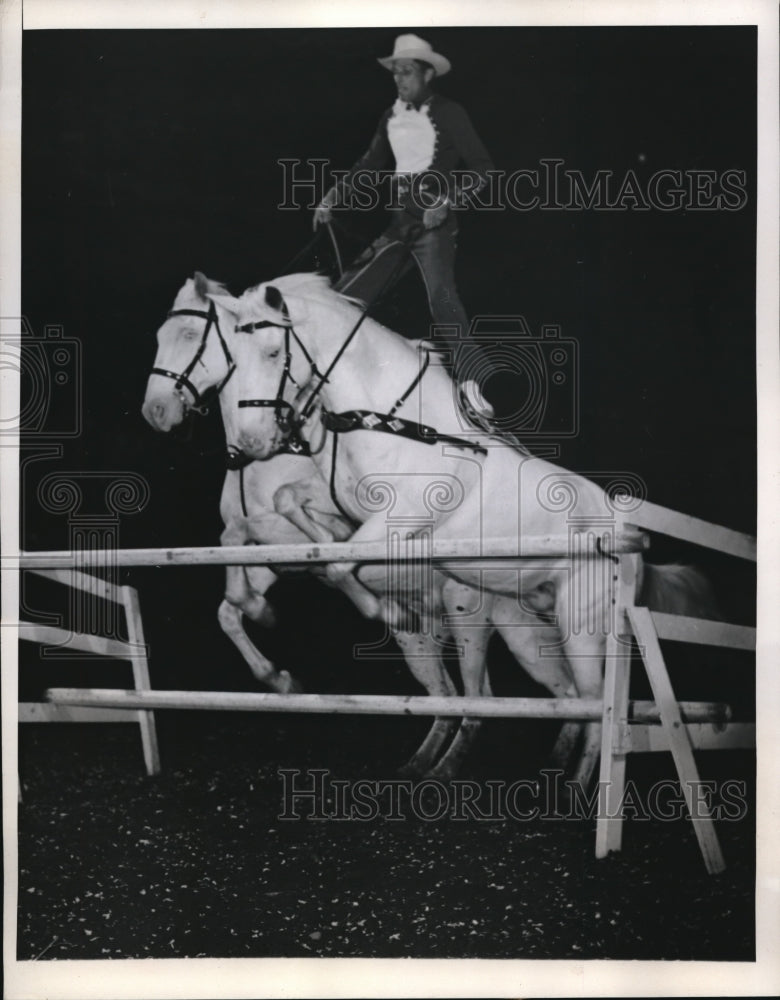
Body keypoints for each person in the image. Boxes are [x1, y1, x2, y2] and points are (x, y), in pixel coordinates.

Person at [313, 33, 496, 425]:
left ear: (427, 73)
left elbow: (483, 169)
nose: (399, 79)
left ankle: (473, 384)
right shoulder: (391, 115)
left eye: (407, 72)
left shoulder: (450, 112)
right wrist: (332, 197)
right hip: (398, 223)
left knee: (442, 298)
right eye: (395, 72)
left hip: (434, 222)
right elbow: (369, 163)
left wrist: (448, 203)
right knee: (345, 294)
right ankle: (331, 380)